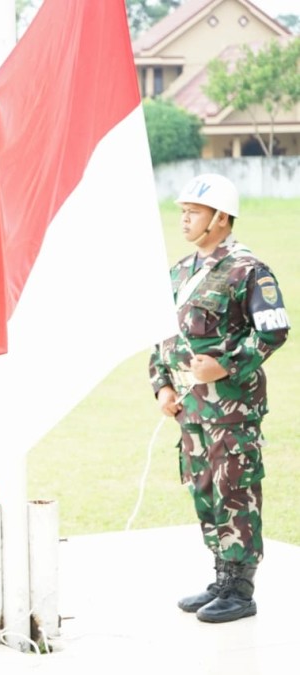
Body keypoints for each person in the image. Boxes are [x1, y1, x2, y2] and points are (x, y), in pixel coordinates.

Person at [148, 173, 290, 624]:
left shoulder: (249, 270)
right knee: (205, 488)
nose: (185, 218)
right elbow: (160, 336)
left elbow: (274, 330)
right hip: (191, 408)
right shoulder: (180, 272)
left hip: (231, 408)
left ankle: (241, 588)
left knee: (236, 489)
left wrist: (226, 362)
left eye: (195, 211)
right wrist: (162, 385)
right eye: (183, 210)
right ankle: (221, 576)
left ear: (221, 218)